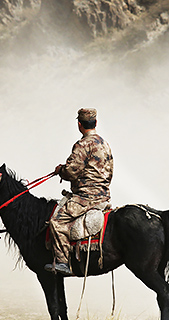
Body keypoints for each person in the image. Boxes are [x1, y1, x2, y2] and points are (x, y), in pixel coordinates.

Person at [45, 108, 114, 276]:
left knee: (56, 222)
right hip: (103, 195)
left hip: (86, 197)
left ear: (79, 125)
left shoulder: (82, 144)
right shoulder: (104, 144)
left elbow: (71, 171)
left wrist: (61, 170)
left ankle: (62, 262)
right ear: (95, 123)